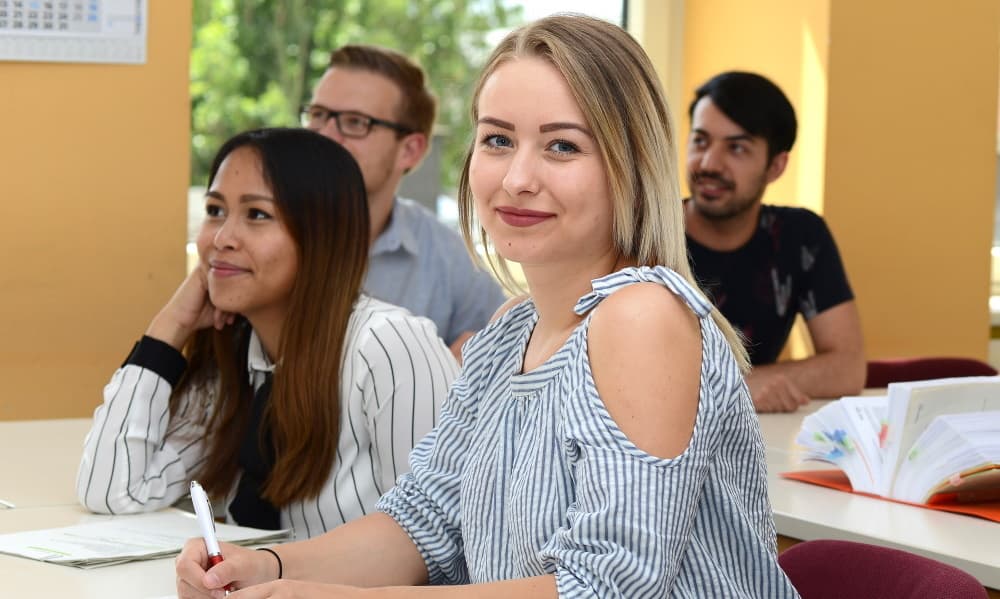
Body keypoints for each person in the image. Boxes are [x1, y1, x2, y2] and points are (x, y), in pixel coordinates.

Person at [175, 15, 799, 598]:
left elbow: (609, 586)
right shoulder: (508, 331)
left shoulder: (642, 317)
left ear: (628, 165)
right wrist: (269, 565)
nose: (517, 177)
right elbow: (424, 521)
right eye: (497, 139)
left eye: (561, 147)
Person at [77, 128, 459, 540]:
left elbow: (437, 542)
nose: (221, 239)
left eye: (256, 215)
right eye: (215, 210)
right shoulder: (239, 353)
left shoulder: (390, 346)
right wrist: (170, 326)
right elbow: (113, 490)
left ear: (321, 236)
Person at [301, 44, 507, 357]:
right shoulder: (252, 234)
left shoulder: (448, 259)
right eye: (318, 115)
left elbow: (504, 346)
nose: (325, 135)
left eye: (355, 122)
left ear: (410, 150)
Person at [684, 71, 865, 413]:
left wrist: (752, 385)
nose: (708, 163)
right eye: (700, 141)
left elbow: (848, 367)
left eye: (736, 148)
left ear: (776, 167)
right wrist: (735, 387)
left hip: (752, 442)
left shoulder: (799, 236)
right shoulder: (645, 235)